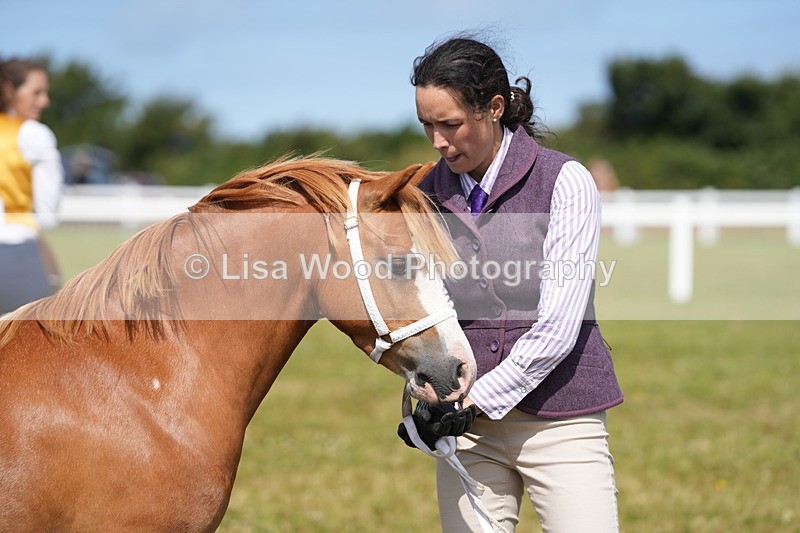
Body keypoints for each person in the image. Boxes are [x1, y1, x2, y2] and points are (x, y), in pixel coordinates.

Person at [397, 35, 624, 532]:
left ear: (494, 108)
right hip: (467, 433)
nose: (437, 142)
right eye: (427, 126)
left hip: (562, 419)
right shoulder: (420, 196)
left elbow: (560, 326)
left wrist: (473, 397)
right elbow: (419, 312)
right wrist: (425, 386)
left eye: (450, 124)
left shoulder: (565, 182)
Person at [0, 58, 63, 314]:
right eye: (36, 92)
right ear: (9, 90)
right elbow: (49, 213)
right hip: (16, 256)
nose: (45, 101)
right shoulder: (35, 135)